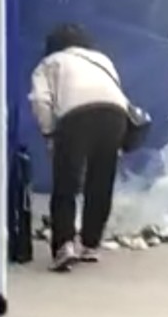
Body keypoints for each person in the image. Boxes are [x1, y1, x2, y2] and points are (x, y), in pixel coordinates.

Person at [29, 24, 130, 272]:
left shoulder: (49, 63)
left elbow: (41, 101)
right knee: (101, 181)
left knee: (67, 182)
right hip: (115, 115)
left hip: (76, 116)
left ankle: (64, 246)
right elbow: (115, 90)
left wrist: (49, 132)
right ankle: (90, 245)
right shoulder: (102, 59)